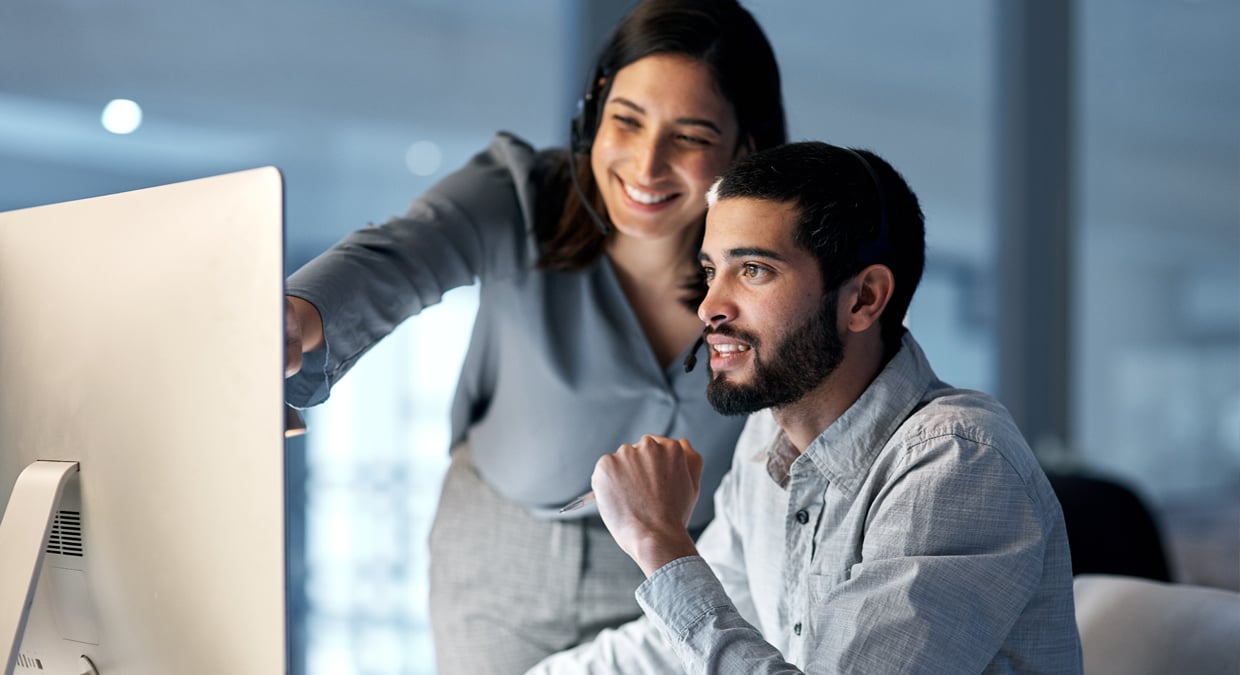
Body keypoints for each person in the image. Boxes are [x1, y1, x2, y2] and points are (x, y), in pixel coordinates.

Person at [281, 1, 787, 671]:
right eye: (627, 121)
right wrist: (296, 315)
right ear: (594, 108)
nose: (646, 164)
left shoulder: (771, 273)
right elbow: (402, 253)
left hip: (679, 559)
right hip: (501, 557)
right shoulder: (521, 194)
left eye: (689, 137)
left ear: (744, 148)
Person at [529, 142, 1083, 673]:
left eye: (753, 270)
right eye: (709, 271)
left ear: (863, 299)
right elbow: (674, 647)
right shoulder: (764, 442)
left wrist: (661, 544)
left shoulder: (955, 463)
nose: (708, 307)